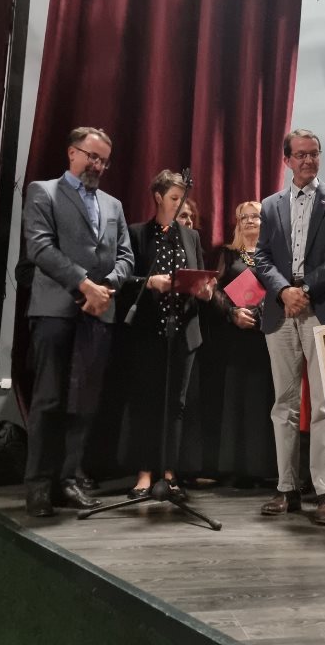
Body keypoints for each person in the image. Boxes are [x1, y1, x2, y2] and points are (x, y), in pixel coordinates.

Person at [22, 126, 134, 517]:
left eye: (104, 160)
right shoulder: (43, 192)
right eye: (92, 156)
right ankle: (39, 486)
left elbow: (126, 257)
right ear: (72, 153)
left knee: (83, 402)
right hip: (56, 310)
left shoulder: (113, 205)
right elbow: (40, 247)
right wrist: (84, 284)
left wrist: (106, 287)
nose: (98, 165)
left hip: (98, 312)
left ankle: (68, 481)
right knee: (49, 400)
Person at [255, 129, 325, 525]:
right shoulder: (270, 204)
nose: (308, 160)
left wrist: (303, 291)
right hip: (281, 311)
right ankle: (287, 488)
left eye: (314, 153)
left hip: (320, 308)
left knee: (324, 405)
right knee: (284, 404)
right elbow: (260, 257)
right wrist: (283, 291)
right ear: (287, 160)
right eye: (301, 154)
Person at [119, 170, 215, 499]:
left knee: (177, 405)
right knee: (146, 402)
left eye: (182, 198)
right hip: (149, 330)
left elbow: (202, 279)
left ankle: (170, 474)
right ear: (158, 198)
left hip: (183, 331)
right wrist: (150, 282)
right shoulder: (137, 233)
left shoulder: (190, 236)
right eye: (174, 198)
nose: (179, 204)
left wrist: (205, 291)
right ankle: (145, 473)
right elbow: (123, 280)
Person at [213, 201, 277, 485]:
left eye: (255, 216)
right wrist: (232, 313)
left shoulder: (273, 254)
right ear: (238, 223)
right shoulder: (228, 254)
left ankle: (263, 468)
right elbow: (214, 291)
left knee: (263, 398)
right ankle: (236, 468)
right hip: (237, 335)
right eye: (244, 217)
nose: (250, 221)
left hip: (268, 335)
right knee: (237, 397)